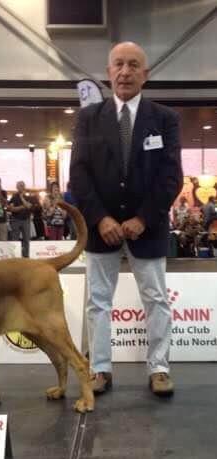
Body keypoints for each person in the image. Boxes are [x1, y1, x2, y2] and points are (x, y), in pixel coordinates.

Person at [70, 41, 183, 397]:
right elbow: (79, 175)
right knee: (98, 302)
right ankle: (100, 369)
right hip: (100, 229)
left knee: (156, 299)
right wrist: (100, 218)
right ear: (108, 73)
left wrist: (144, 218)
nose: (125, 71)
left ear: (145, 75)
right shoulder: (88, 118)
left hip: (147, 229)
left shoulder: (165, 119)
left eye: (133, 65)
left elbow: (171, 177)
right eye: (118, 64)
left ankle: (159, 368)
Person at [8, 180, 33, 256]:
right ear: (17, 187)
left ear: (25, 187)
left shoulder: (28, 196)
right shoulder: (14, 197)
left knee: (27, 239)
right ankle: (15, 255)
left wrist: (22, 198)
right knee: (15, 239)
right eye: (19, 186)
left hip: (26, 220)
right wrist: (22, 207)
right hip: (16, 220)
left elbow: (29, 206)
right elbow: (12, 209)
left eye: (22, 185)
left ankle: (26, 256)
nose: (21, 187)